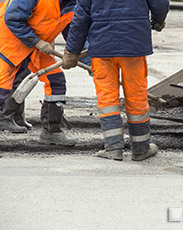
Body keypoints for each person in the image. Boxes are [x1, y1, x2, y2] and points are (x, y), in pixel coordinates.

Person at [62, 0, 169, 161]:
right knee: (136, 96)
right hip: (133, 44)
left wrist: (72, 50)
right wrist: (158, 19)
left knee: (107, 98)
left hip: (102, 46)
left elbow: (81, 16)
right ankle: (141, 149)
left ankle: (113, 148)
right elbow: (159, 3)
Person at [0, 0, 75, 145]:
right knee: (4, 84)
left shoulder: (72, 4)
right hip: (10, 41)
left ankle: (51, 131)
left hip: (37, 44)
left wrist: (91, 61)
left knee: (55, 80)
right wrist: (36, 41)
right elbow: (13, 18)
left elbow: (73, 33)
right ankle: (4, 118)